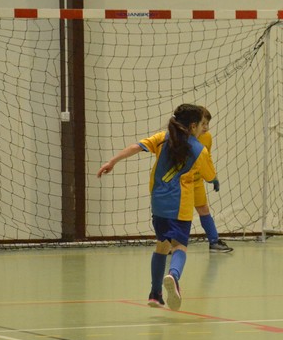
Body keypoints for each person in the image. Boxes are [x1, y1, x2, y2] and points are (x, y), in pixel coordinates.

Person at [97, 104, 217, 310]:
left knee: (162, 245)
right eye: (201, 125)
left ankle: (155, 294)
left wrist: (112, 161)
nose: (203, 129)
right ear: (193, 126)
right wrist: (215, 180)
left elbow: (136, 147)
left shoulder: (162, 138)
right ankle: (174, 276)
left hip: (158, 203)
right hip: (180, 205)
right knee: (179, 246)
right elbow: (209, 175)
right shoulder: (199, 150)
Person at [195, 106, 234, 253]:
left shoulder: (207, 137)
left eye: (207, 123)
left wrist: (213, 176)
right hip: (181, 182)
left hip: (197, 181)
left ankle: (214, 241)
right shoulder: (184, 138)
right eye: (203, 124)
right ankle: (169, 244)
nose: (206, 127)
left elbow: (207, 157)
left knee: (204, 209)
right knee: (176, 214)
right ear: (194, 124)